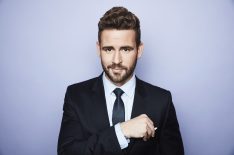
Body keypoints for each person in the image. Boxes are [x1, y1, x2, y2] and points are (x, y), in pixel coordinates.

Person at [57, 6, 184, 155]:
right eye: (109, 49)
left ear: (139, 50)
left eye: (126, 49)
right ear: (98, 49)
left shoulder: (162, 101)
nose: (116, 60)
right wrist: (121, 131)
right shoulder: (76, 96)